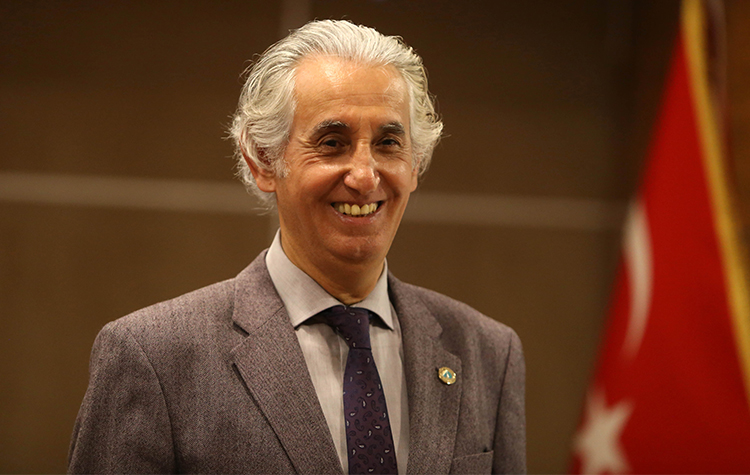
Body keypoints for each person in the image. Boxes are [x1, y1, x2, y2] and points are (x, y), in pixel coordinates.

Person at [68, 20, 525, 474]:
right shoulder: (154, 357)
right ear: (263, 161)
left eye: (388, 143)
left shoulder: (488, 353)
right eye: (332, 143)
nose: (365, 176)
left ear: (415, 164)